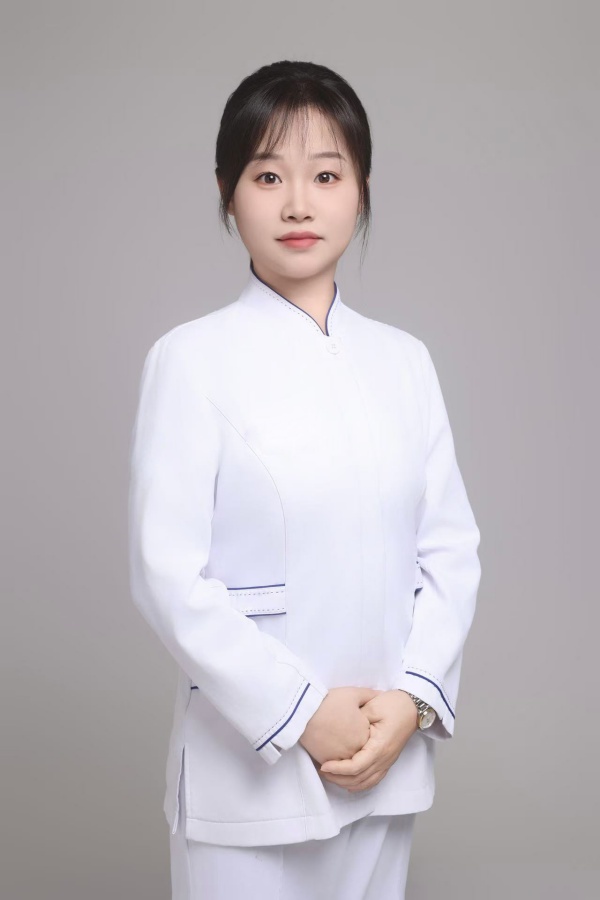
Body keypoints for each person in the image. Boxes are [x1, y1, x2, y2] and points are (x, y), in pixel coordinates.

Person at [128, 59, 482, 900]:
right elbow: (166, 575)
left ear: (361, 190)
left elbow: (451, 552)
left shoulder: (405, 361)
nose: (298, 204)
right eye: (267, 176)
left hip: (386, 760)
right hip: (250, 778)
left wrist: (413, 702)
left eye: (326, 175)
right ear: (227, 193)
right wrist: (301, 713)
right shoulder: (190, 360)